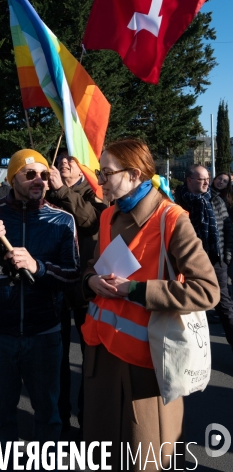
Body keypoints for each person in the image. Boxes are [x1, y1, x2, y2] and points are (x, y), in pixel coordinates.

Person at [81, 139, 219, 471]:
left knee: (146, 459)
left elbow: (207, 290)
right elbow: (92, 266)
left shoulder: (171, 218)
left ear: (134, 174)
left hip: (147, 364)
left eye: (106, 172)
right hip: (100, 356)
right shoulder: (108, 215)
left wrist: (137, 290)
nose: (100, 179)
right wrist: (90, 281)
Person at [0, 149, 79, 469]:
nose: (39, 180)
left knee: (48, 418)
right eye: (29, 174)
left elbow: (72, 275)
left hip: (45, 334)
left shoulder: (62, 220)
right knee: (0, 420)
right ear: (12, 179)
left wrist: (37, 267)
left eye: (42, 174)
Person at [46, 149, 106, 430]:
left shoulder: (95, 191)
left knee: (89, 357)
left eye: (70, 161)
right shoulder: (48, 192)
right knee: (55, 357)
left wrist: (61, 191)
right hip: (55, 284)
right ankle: (59, 417)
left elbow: (90, 221)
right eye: (60, 161)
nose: (64, 165)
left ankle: (88, 417)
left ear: (83, 168)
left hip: (85, 286)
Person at [175, 165, 233, 349]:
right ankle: (192, 351)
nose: (207, 182)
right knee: (189, 307)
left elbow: (228, 229)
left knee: (224, 306)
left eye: (208, 178)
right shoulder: (177, 203)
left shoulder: (215, 200)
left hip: (216, 261)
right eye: (202, 179)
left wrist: (227, 256)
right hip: (188, 263)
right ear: (190, 180)